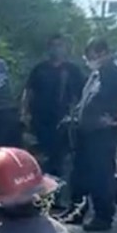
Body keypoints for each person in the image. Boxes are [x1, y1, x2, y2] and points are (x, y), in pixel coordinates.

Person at [63, 38, 117, 232]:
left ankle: (103, 217)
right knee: (80, 174)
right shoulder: (97, 73)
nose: (89, 60)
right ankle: (76, 211)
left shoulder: (115, 71)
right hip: (86, 131)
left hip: (103, 133)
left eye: (92, 56)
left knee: (101, 175)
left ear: (104, 53)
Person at [22, 34, 85, 178]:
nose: (56, 49)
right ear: (48, 48)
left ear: (65, 48)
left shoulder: (72, 70)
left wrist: (77, 115)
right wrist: (24, 113)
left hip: (62, 121)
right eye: (53, 45)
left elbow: (83, 94)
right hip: (40, 120)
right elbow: (29, 91)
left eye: (59, 45)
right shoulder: (40, 69)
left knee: (59, 158)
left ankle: (57, 190)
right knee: (40, 156)